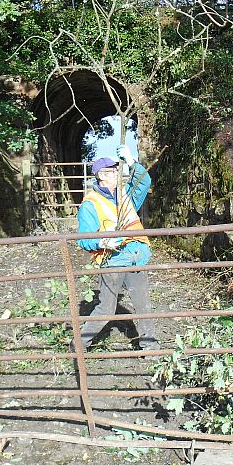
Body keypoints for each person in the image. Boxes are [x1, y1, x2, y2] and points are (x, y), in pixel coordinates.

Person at [74, 145, 158, 351]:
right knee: (106, 308)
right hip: (112, 260)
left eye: (116, 169)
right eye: (112, 171)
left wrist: (131, 161)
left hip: (136, 256)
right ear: (101, 176)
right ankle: (78, 345)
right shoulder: (90, 205)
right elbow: (83, 238)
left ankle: (151, 348)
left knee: (143, 306)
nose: (116, 174)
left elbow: (144, 182)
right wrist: (102, 242)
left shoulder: (125, 194)